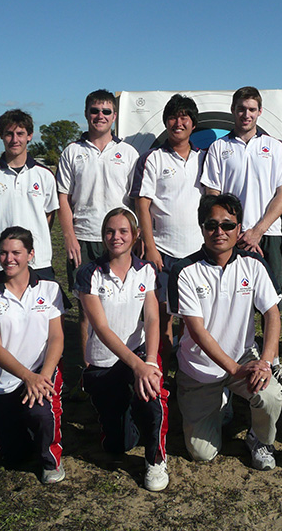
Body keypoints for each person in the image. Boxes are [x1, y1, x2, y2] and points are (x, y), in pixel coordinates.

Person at [167, 194, 282, 469]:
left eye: (228, 225)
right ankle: (222, 399)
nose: (219, 232)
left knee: (270, 395)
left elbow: (272, 314)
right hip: (199, 369)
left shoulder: (253, 265)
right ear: (202, 228)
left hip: (242, 359)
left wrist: (265, 363)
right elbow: (196, 331)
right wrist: (233, 370)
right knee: (202, 454)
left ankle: (259, 439)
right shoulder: (184, 270)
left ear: (239, 228)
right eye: (211, 225)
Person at [200, 86, 282, 394]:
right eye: (241, 108)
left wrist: (257, 230)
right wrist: (236, 231)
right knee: (229, 303)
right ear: (233, 110)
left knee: (271, 304)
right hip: (230, 238)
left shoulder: (274, 147)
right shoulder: (218, 148)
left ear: (260, 112)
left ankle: (274, 361)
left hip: (267, 236)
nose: (246, 114)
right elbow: (212, 194)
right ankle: (227, 364)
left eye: (252, 109)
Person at [76, 208, 170, 491]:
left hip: (138, 354)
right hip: (104, 362)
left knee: (153, 396)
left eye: (123, 231)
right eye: (110, 231)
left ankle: (155, 459)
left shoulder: (146, 270)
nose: (116, 237)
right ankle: (127, 416)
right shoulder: (89, 273)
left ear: (136, 235)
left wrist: (149, 362)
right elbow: (101, 329)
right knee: (118, 445)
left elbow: (152, 317)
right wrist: (137, 365)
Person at [56, 89, 139, 378]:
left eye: (106, 112)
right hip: (84, 239)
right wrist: (69, 235)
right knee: (87, 311)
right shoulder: (72, 151)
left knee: (122, 305)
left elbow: (133, 202)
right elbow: (63, 197)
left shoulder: (128, 153)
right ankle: (89, 370)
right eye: (94, 111)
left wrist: (133, 240)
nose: (100, 116)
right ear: (86, 113)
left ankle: (121, 366)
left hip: (119, 242)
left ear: (114, 116)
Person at [0, 227, 66, 484]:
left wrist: (42, 377)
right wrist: (27, 377)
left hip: (41, 372)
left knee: (41, 412)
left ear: (31, 255)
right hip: (3, 382)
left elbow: (57, 338)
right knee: (13, 458)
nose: (9, 259)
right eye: (3, 253)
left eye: (16, 252)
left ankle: (51, 461)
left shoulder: (49, 289)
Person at [131, 94, 205, 364]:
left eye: (185, 116)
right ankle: (163, 362)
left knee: (192, 313)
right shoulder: (152, 158)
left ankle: (186, 362)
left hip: (197, 252)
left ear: (193, 123)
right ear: (165, 122)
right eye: (173, 116)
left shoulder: (205, 158)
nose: (179, 122)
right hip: (162, 251)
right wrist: (150, 247)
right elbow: (143, 204)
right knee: (161, 313)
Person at [0, 109, 59, 282]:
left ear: (30, 136)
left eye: (20, 134)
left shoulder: (44, 175)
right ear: (1, 136)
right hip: (0, 263)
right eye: (9, 134)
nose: (15, 140)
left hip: (38, 261)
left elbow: (48, 216)